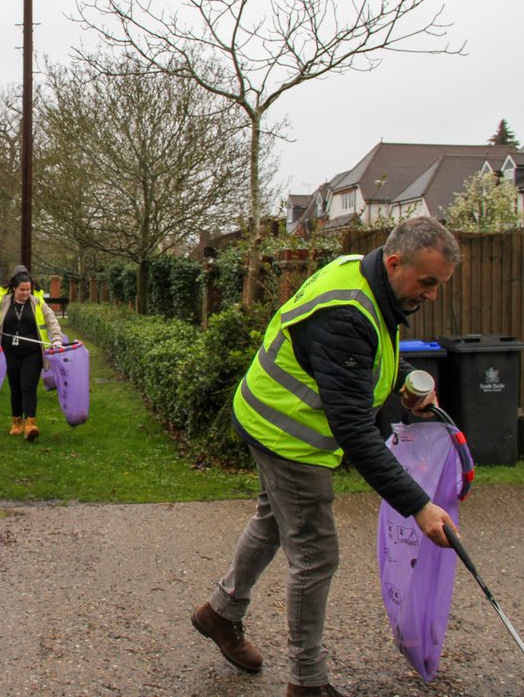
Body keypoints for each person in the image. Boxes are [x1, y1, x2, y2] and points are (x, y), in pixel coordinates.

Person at [192, 216, 461, 697]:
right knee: (316, 555)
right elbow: (356, 431)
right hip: (287, 435)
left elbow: (372, 349)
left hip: (266, 412)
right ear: (396, 263)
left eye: (440, 285)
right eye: (428, 283)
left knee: (273, 520)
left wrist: (405, 378)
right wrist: (418, 506)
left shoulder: (366, 274)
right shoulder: (347, 314)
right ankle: (306, 681)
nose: (433, 295)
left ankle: (220, 613)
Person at [0, 266, 63, 441]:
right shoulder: (4, 302)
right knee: (15, 388)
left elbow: (52, 321)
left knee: (28, 387)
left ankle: (31, 423)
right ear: (14, 288)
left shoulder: (37, 303)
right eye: (22, 290)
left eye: (28, 290)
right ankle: (16, 421)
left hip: (32, 353)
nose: (26, 293)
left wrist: (56, 339)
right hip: (10, 352)